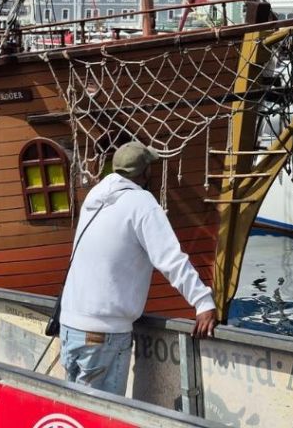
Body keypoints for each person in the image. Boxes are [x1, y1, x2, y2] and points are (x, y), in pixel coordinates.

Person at [59, 142, 216, 396]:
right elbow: (170, 258)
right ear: (145, 173)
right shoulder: (141, 202)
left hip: (70, 326)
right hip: (103, 334)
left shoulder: (95, 196)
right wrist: (203, 301)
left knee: (77, 414)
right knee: (104, 418)